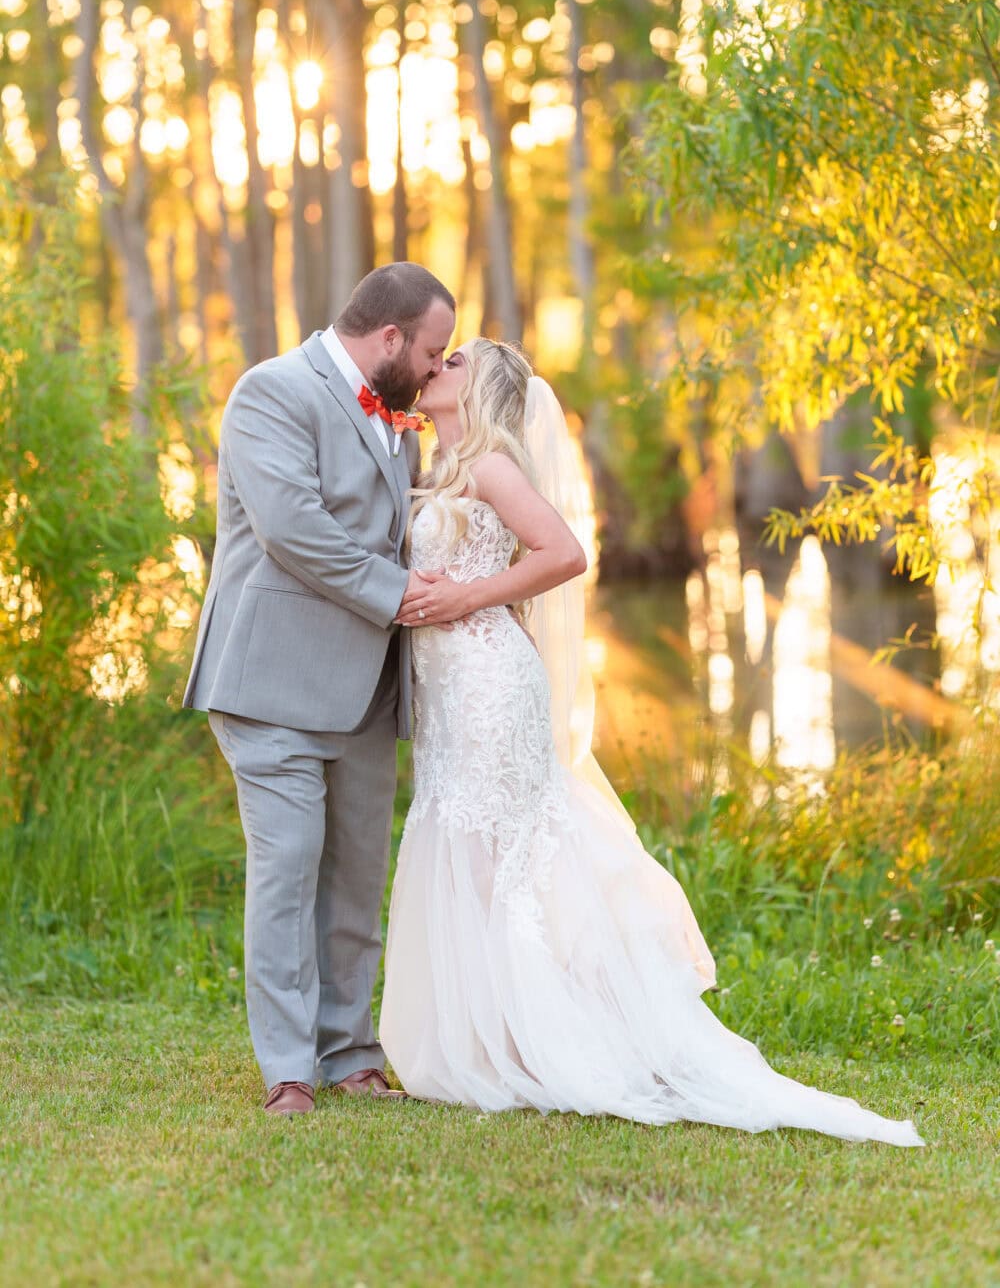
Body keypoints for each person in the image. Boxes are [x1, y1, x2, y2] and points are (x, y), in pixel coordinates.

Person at [380, 339, 924, 1146]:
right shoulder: (438, 461)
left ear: (482, 391)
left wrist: (468, 596)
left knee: (500, 857)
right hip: (454, 690)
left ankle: (532, 1042)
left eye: (453, 362)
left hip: (493, 684)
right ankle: (493, 1035)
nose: (434, 368)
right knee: (472, 848)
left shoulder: (492, 465)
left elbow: (565, 553)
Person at [183, 263, 456, 1114]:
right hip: (272, 680)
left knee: (355, 876)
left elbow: (396, 524)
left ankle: (351, 1054)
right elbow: (293, 528)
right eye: (432, 352)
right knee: (288, 867)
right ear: (388, 339)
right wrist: (402, 595)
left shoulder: (398, 417)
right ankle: (289, 1069)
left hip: (368, 686)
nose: (436, 371)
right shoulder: (270, 393)